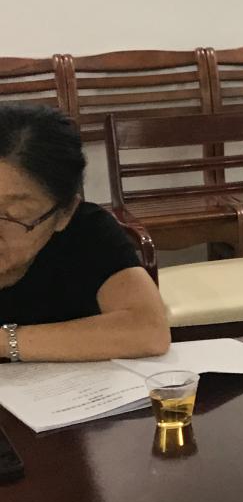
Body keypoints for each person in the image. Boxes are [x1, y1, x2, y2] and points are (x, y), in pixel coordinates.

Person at [0, 103, 170, 362]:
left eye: (16, 214)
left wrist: (6, 342)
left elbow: (148, 330)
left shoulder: (87, 233)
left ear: (65, 212)